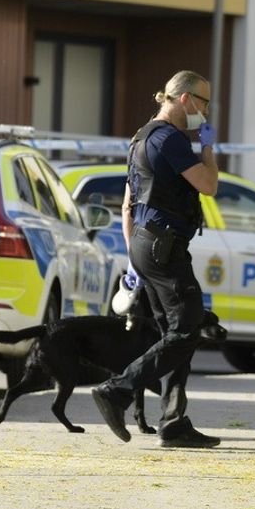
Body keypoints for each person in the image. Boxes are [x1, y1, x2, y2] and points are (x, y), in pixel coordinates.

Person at [91, 70, 221, 449]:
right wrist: (208, 146)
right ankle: (117, 391)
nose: (206, 111)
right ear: (185, 99)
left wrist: (135, 258)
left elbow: (129, 205)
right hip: (164, 248)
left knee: (175, 335)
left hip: (148, 246)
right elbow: (210, 186)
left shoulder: (141, 137)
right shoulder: (171, 140)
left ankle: (174, 423)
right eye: (204, 102)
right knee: (187, 328)